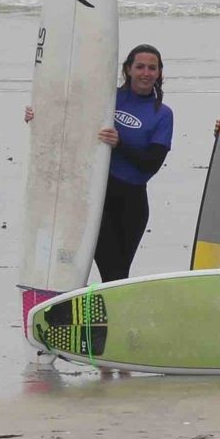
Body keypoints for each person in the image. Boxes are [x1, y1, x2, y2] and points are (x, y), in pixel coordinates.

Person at [31, 42, 173, 281]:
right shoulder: (108, 98)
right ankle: (104, 314)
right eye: (140, 67)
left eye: (152, 68)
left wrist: (120, 144)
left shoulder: (163, 114)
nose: (146, 73)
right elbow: (68, 117)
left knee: (117, 275)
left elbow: (151, 165)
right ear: (128, 69)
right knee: (110, 271)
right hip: (97, 197)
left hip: (132, 204)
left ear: (159, 73)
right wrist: (36, 115)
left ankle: (109, 317)